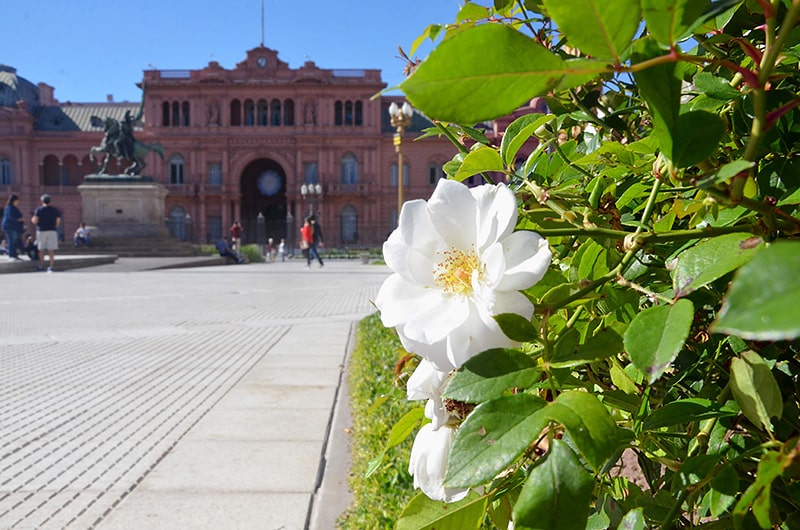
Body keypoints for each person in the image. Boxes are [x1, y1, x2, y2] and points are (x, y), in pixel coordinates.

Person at [31, 194, 61, 272]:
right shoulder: (55, 210)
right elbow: (58, 222)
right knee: (51, 250)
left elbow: (35, 221)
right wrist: (54, 227)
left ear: (42, 201)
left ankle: (41, 266)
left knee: (41, 250)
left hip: (41, 230)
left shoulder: (39, 210)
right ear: (50, 201)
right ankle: (51, 266)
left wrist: (32, 220)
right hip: (52, 230)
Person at [2, 194, 24, 261]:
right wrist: (19, 219)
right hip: (10, 227)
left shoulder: (14, 208)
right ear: (13, 201)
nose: (18, 202)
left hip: (15, 227)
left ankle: (14, 254)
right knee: (12, 240)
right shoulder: (9, 208)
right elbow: (11, 217)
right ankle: (11, 255)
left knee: (15, 241)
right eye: (17, 201)